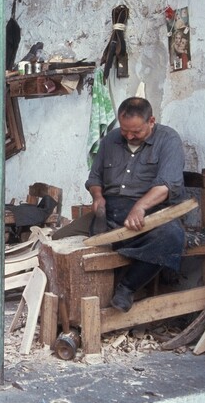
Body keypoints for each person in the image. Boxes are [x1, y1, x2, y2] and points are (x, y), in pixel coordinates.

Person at [53, 97, 186, 312]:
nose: (129, 136)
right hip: (111, 210)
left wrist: (141, 207)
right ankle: (67, 300)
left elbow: (167, 185)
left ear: (151, 121)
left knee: (172, 237)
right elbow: (95, 178)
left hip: (150, 211)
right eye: (125, 131)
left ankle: (127, 287)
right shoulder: (111, 140)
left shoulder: (168, 139)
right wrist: (98, 198)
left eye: (136, 132)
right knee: (57, 240)